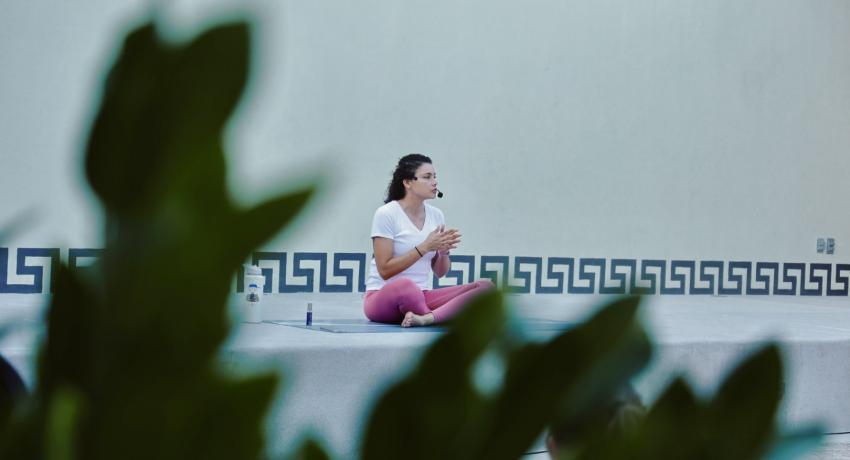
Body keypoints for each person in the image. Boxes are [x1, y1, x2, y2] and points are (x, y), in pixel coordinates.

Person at [363, 154, 495, 327]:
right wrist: (425, 247)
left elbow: (440, 272)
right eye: (427, 177)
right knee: (407, 287)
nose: (434, 182)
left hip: (421, 296)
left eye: (435, 177)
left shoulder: (436, 215)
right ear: (408, 182)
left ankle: (426, 318)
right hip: (383, 298)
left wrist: (443, 252)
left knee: (485, 287)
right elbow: (384, 270)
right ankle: (441, 315)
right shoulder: (386, 214)